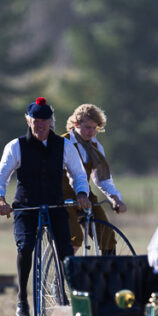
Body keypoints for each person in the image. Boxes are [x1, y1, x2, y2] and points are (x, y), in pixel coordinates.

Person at [0, 97, 91, 316]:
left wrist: (82, 194)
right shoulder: (16, 146)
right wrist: (0, 199)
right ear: (28, 122)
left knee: (66, 250)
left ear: (51, 122)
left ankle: (68, 297)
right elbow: (1, 176)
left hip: (55, 205)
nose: (40, 126)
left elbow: (78, 175)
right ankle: (22, 301)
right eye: (36, 121)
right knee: (26, 247)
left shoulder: (64, 146)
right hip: (27, 207)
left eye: (44, 121)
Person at [61, 104, 127, 252]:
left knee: (107, 237)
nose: (91, 132)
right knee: (75, 238)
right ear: (76, 124)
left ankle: (106, 273)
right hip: (62, 196)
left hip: (85, 196)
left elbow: (102, 178)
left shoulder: (96, 147)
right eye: (87, 127)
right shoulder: (62, 143)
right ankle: (66, 271)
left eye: (94, 128)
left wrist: (115, 198)